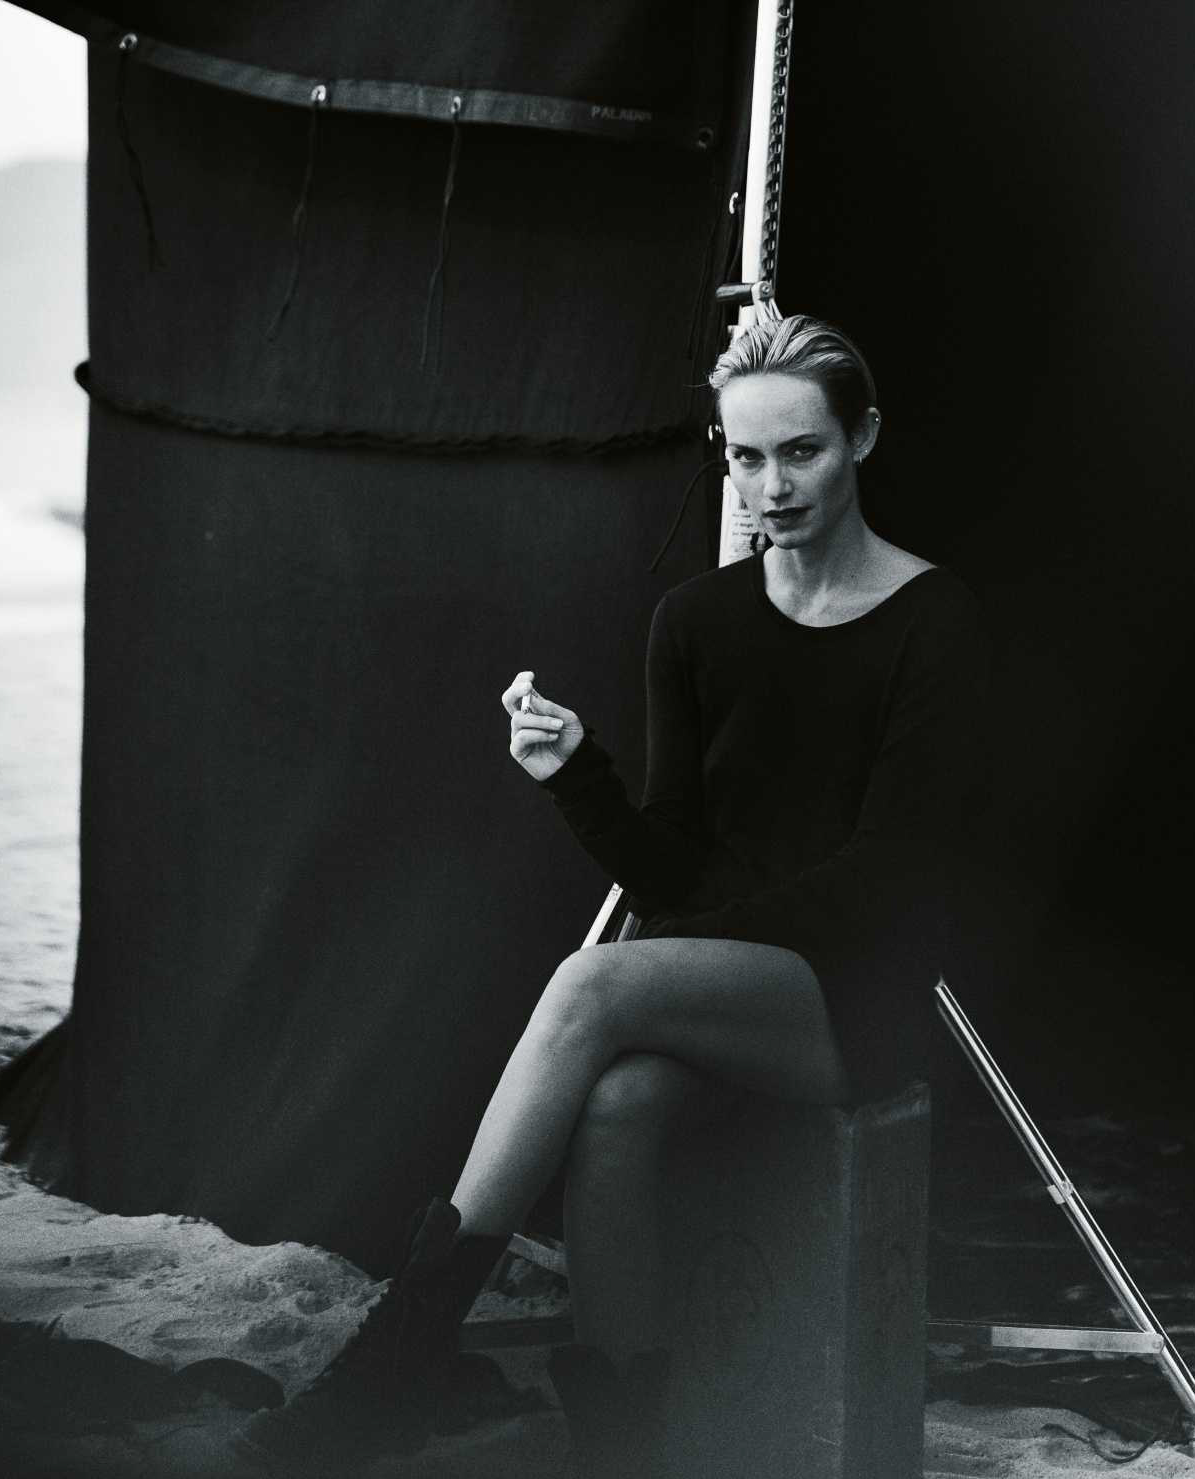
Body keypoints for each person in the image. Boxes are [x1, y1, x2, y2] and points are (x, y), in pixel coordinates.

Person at [240, 314, 981, 1472]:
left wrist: (667, 962)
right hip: (719, 985)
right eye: (746, 457)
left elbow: (881, 880)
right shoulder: (694, 621)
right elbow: (670, 867)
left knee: (594, 987)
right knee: (617, 1105)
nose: (772, 487)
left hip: (860, 996)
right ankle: (626, 1444)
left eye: (801, 452)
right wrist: (576, 775)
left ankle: (398, 1359)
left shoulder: (935, 621)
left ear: (863, 438)